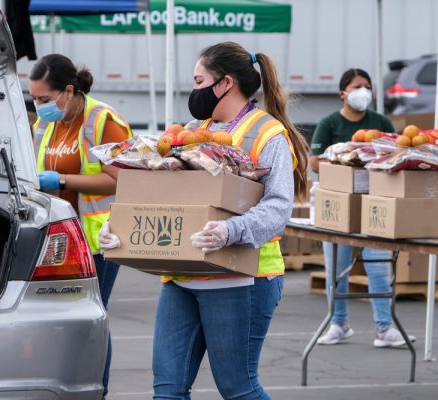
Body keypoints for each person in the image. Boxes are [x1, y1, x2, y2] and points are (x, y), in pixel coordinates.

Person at [99, 41, 309, 399]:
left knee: (238, 388)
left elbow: (278, 207)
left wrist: (232, 230)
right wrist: (120, 226)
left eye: (198, 80)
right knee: (167, 390)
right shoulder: (193, 130)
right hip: (184, 273)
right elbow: (168, 193)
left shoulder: (268, 133)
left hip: (244, 276)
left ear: (225, 82)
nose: (193, 89)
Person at [29, 54, 132, 398]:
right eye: (34, 98)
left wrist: (62, 180)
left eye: (44, 99)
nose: (38, 105)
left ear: (68, 91)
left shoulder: (103, 120)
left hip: (100, 239)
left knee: (92, 322)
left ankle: (96, 391)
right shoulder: (46, 123)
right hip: (59, 238)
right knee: (63, 323)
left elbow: (123, 180)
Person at [309, 68, 415, 347]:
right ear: (343, 93)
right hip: (340, 205)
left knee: (379, 267)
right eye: (357, 86)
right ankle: (338, 323)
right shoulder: (329, 123)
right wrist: (347, 161)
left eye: (367, 86)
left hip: (374, 203)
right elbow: (315, 161)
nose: (363, 91)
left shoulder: (380, 122)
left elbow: (395, 154)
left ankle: (385, 328)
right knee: (337, 268)